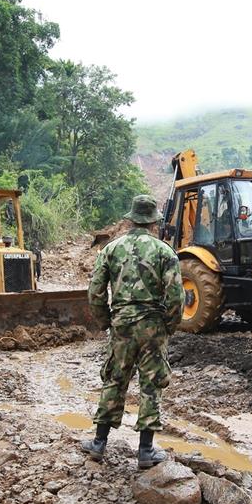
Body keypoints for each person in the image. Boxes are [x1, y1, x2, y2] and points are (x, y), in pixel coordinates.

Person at [81, 195, 183, 469]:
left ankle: (99, 444)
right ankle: (146, 450)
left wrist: (106, 321)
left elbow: (95, 292)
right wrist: (168, 326)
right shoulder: (164, 252)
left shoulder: (111, 249)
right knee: (151, 384)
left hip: (122, 324)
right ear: (153, 222)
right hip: (153, 326)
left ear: (131, 218)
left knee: (114, 379)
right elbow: (176, 297)